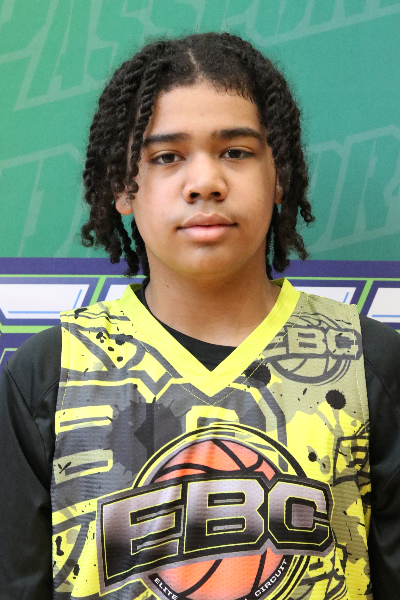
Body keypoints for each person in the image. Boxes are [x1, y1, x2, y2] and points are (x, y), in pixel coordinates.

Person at [0, 32, 399, 600]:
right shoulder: (48, 375)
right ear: (123, 187)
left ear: (280, 175)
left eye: (236, 152)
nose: (206, 182)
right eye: (167, 157)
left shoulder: (368, 363)